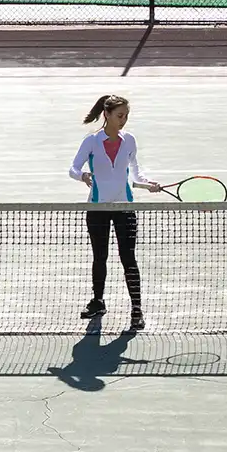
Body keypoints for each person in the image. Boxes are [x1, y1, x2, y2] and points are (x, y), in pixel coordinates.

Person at [68, 95, 161, 331]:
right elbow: (73, 168)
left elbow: (134, 175)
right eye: (120, 115)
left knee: (128, 258)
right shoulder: (91, 142)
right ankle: (98, 301)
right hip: (97, 207)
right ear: (106, 114)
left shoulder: (129, 140)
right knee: (100, 257)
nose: (124, 120)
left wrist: (148, 184)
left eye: (126, 115)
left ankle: (136, 310)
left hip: (124, 207)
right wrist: (83, 176)